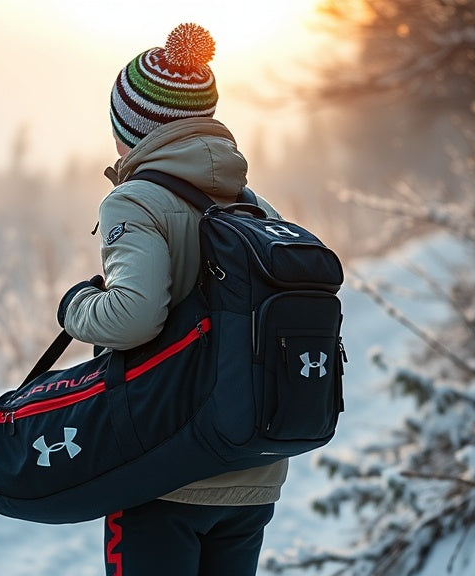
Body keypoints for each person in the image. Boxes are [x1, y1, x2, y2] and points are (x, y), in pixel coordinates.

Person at [55, 22, 289, 576]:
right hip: (252, 470)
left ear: (132, 129)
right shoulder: (257, 209)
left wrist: (74, 308)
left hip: (163, 467)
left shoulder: (135, 201)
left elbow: (133, 317)